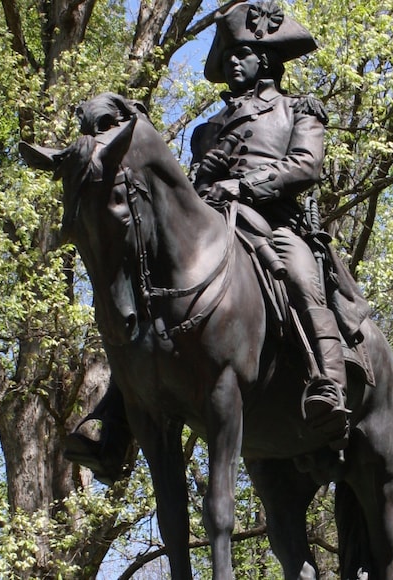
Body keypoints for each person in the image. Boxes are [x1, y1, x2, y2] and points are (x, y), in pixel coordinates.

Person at [65, 1, 349, 482]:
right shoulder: (206, 131)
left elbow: (305, 166)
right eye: (229, 56)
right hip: (213, 230)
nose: (234, 62)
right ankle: (114, 420)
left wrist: (241, 185)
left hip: (272, 222)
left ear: (267, 60)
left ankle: (330, 385)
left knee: (300, 275)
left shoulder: (296, 110)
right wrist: (204, 175)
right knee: (149, 304)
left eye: (244, 53)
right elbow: (185, 194)